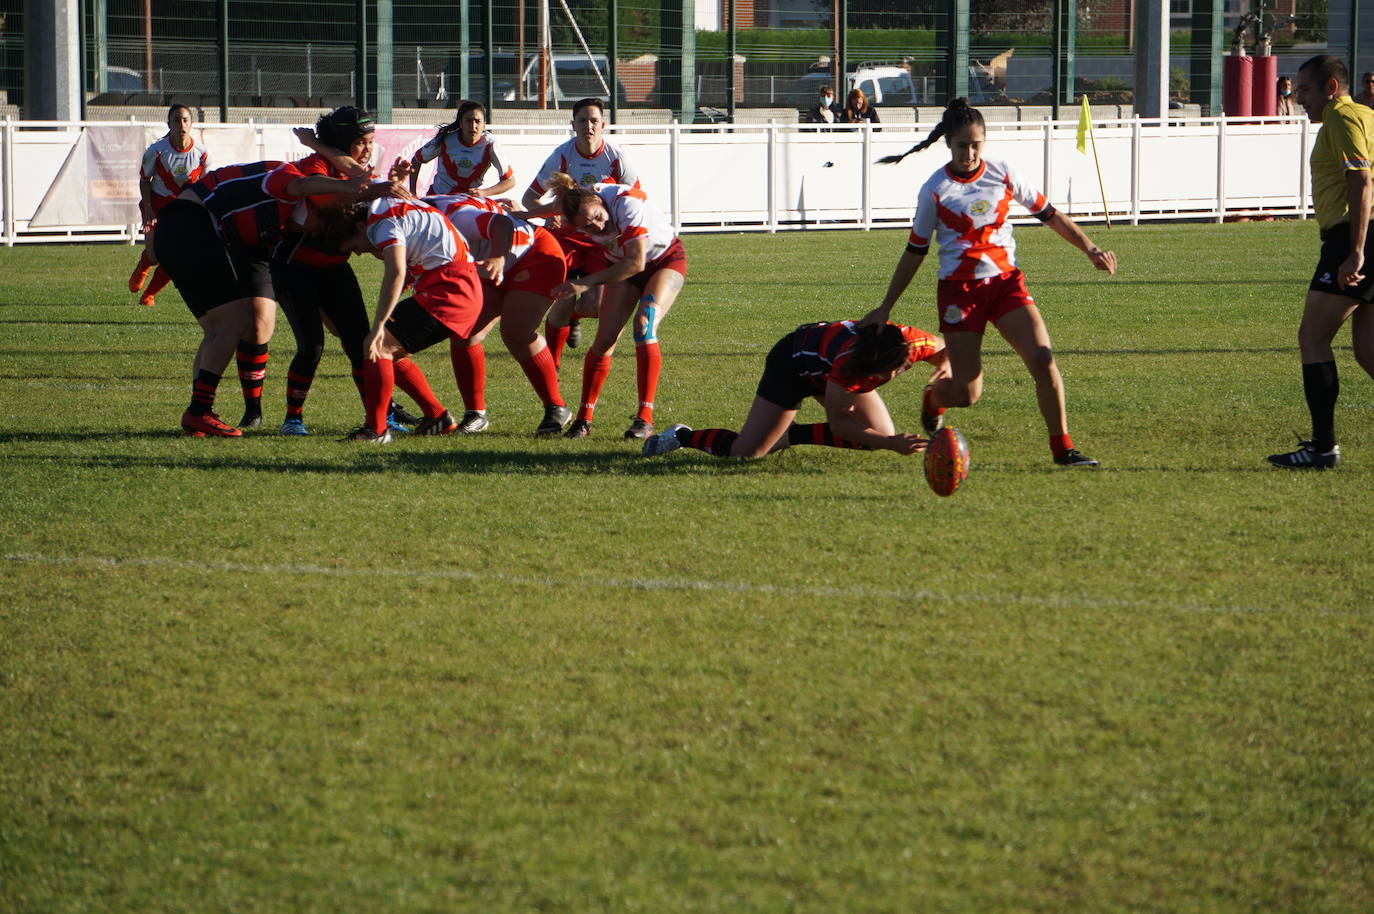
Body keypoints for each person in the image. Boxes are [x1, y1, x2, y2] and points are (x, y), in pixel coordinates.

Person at [866, 98, 1117, 467]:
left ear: (985, 141)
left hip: (1005, 285)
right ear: (948, 144)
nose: (969, 152)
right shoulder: (934, 190)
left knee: (1044, 361)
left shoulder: (1003, 173)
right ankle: (934, 397)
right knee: (967, 394)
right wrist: (886, 305)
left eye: (976, 144)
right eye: (961, 145)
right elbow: (914, 252)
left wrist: (1091, 248)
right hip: (959, 292)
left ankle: (1062, 448)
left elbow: (1050, 215)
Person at [152, 160, 376, 437]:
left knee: (218, 327)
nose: (311, 233)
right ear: (312, 209)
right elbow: (302, 184)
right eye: (317, 226)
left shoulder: (279, 210)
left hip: (180, 224)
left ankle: (199, 413)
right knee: (231, 322)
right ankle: (199, 412)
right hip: (191, 223)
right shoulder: (286, 184)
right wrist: (351, 185)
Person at [272, 108, 423, 436]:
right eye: (360, 142)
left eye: (371, 141)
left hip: (334, 268)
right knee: (311, 346)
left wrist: (392, 187)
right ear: (342, 143)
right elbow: (336, 196)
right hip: (296, 267)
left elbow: (365, 192)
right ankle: (292, 419)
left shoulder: (357, 169)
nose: (368, 149)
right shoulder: (316, 167)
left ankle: (380, 416)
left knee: (361, 343)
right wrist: (381, 189)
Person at [1266, 55, 1374, 469]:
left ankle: (1322, 448)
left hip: (1352, 237)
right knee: (1368, 352)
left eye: (1306, 90)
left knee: (1312, 339)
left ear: (1331, 88)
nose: (1298, 99)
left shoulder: (1342, 119)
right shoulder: (1365, 115)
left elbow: (1361, 180)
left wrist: (1356, 250)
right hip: (1361, 236)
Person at [642, 320, 946, 460]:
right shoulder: (848, 363)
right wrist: (892, 444)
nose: (891, 376)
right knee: (746, 453)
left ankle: (791, 435)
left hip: (821, 363)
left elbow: (949, 355)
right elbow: (840, 421)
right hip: (790, 366)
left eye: (895, 368)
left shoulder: (913, 343)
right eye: (882, 372)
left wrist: (942, 377)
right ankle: (681, 435)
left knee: (874, 435)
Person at [326, 186, 486, 442]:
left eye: (354, 246)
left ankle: (376, 431)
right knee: (392, 354)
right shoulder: (385, 208)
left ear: (358, 228)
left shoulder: (381, 224)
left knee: (378, 346)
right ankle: (436, 416)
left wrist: (379, 325)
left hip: (450, 289)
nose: (358, 252)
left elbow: (396, 271)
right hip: (454, 284)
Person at [537, 173, 686, 440]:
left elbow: (637, 263)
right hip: (621, 266)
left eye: (597, 216)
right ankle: (583, 420)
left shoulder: (625, 204)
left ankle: (644, 418)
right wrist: (527, 213)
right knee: (604, 341)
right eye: (588, 227)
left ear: (599, 201)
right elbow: (561, 205)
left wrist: (584, 284)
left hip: (663, 260)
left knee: (644, 324)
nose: (597, 225)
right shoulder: (578, 205)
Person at [428, 191, 573, 435]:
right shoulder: (423, 215)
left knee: (516, 333)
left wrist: (497, 258)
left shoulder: (451, 215)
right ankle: (476, 414)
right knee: (464, 333)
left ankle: (556, 407)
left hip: (533, 253)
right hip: (493, 260)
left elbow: (501, 223)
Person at [521, 97, 642, 365]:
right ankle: (553, 365)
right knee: (561, 299)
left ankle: (575, 318)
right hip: (565, 239)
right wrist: (550, 215)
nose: (588, 126)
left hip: (601, 241)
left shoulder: (616, 157)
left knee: (594, 306)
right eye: (582, 121)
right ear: (573, 125)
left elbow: (637, 195)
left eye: (594, 121)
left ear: (603, 124)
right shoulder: (562, 155)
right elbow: (530, 197)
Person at [129, 104, 210, 307]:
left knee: (176, 258)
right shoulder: (156, 151)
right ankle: (144, 264)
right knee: (156, 255)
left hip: (184, 210)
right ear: (169, 124)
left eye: (185, 120)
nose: (181, 124)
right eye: (176, 120)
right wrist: (148, 208)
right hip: (157, 205)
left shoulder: (202, 153)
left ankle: (148, 295)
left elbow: (206, 186)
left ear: (191, 124)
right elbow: (144, 180)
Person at [408, 99, 515, 198]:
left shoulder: (490, 145)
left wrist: (485, 192)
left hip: (468, 202)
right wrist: (412, 192)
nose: (473, 126)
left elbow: (510, 181)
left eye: (477, 121)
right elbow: (416, 160)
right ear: (461, 123)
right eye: (468, 121)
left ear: (484, 125)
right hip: (439, 198)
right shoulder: (445, 139)